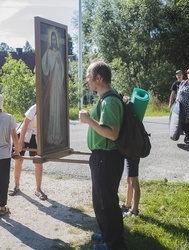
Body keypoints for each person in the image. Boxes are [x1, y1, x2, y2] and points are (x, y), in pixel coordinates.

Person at [79, 60, 126, 250]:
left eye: (89, 76)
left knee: (107, 202)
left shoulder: (110, 101)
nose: (87, 80)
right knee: (100, 200)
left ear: (99, 78)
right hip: (101, 157)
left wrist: (89, 120)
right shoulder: (105, 99)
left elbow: (112, 133)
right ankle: (107, 235)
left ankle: (114, 244)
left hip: (106, 158)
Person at [8, 104, 47, 200]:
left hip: (37, 135)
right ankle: (16, 186)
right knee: (18, 159)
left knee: (38, 162)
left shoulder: (50, 108)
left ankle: (38, 189)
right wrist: (21, 141)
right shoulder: (35, 108)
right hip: (24, 134)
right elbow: (25, 124)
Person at [41, 30, 65, 145]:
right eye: (53, 39)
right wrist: (48, 71)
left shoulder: (59, 53)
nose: (54, 41)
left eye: (56, 39)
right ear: (51, 40)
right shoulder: (48, 52)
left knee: (58, 108)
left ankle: (58, 134)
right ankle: (51, 134)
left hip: (58, 83)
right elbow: (44, 68)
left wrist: (59, 63)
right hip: (51, 83)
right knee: (52, 109)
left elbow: (62, 69)